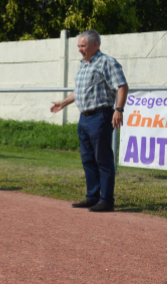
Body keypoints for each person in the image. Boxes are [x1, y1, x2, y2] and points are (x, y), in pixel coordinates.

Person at [51, 30, 128, 213]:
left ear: (95, 45)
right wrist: (63, 102)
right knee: (88, 159)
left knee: (103, 160)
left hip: (100, 117)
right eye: (78, 46)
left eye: (83, 46)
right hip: (84, 118)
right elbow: (78, 91)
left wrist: (118, 109)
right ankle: (92, 197)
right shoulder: (84, 65)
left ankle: (106, 200)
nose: (79, 50)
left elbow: (122, 86)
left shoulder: (107, 62)